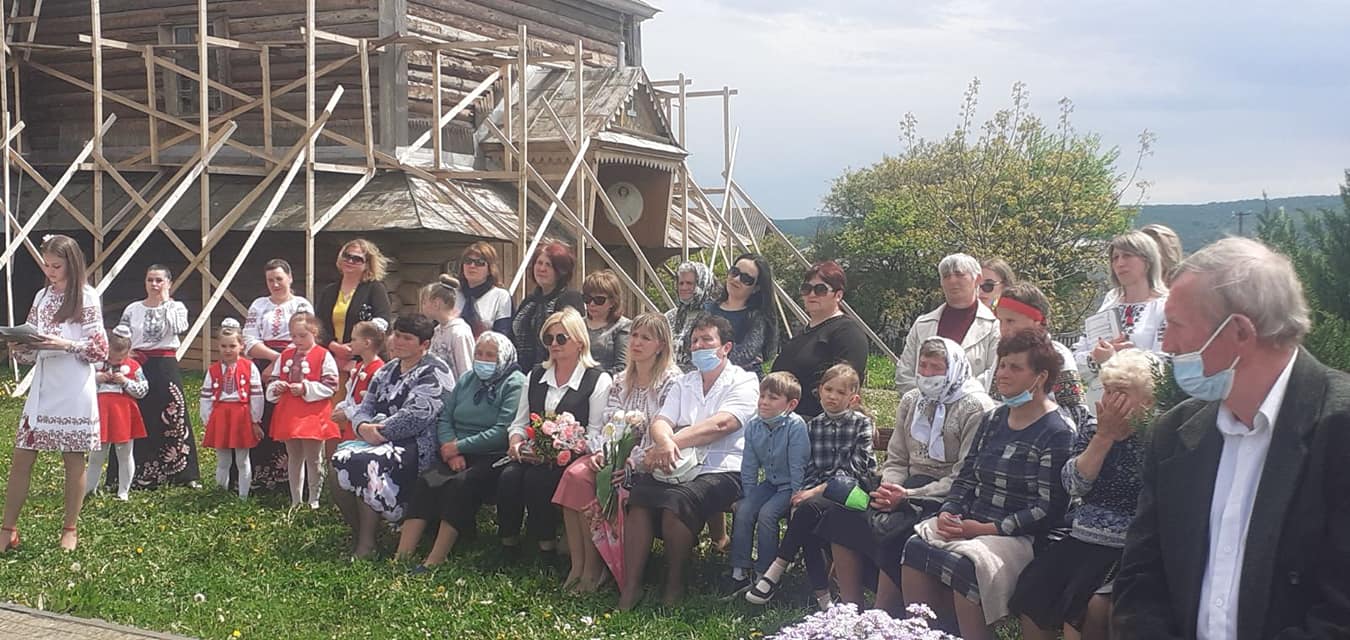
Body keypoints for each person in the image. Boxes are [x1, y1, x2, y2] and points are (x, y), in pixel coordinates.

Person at [1113, 238, 1350, 640]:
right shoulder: (1173, 435)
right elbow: (1141, 579)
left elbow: (1340, 613)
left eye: (1177, 326)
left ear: (1239, 330)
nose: (1167, 345)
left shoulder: (1339, 430)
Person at [901, 329, 1073, 640]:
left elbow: (1048, 509)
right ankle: (923, 633)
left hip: (1021, 536)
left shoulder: (1057, 431)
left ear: (1040, 377)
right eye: (1002, 365)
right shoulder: (995, 419)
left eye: (1015, 367)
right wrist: (949, 510)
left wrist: (984, 529)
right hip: (972, 521)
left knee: (965, 565)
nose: (1003, 374)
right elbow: (967, 475)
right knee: (916, 546)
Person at [819, 338, 995, 616]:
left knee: (897, 528)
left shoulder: (975, 408)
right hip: (903, 485)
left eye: (935, 368)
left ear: (954, 369)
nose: (926, 374)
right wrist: (889, 487)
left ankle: (882, 615)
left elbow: (964, 475)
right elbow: (898, 457)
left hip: (945, 496)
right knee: (841, 514)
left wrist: (908, 496)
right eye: (922, 366)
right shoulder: (912, 400)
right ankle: (850, 609)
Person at [1012, 349, 1157, 640]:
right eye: (1107, 391)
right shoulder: (1094, 429)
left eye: (1121, 392)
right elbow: (1074, 485)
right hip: (1083, 538)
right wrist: (1104, 438)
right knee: (1034, 589)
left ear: (1147, 400)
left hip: (1126, 548)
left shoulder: (1156, 436)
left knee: (1084, 613)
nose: (1110, 401)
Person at [619, 314, 759, 610]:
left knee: (677, 501)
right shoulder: (685, 382)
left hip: (724, 469)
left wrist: (671, 443)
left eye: (707, 340)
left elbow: (723, 424)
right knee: (640, 496)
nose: (698, 346)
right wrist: (663, 441)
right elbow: (661, 420)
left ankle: (675, 586)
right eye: (694, 341)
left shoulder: (744, 380)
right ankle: (631, 586)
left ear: (726, 347)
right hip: (679, 463)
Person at [552, 312, 681, 592]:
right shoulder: (621, 380)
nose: (636, 342)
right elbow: (608, 423)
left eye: (645, 338)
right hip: (613, 455)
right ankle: (579, 565)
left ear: (661, 345)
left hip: (647, 463)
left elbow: (663, 432)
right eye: (634, 335)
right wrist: (603, 452)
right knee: (574, 475)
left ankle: (598, 567)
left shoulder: (671, 383)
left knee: (595, 482)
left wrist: (631, 463)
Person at [1, 234, 107, 552]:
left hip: (74, 384)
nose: (50, 272)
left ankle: (70, 529)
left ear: (72, 264)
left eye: (56, 266)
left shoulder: (87, 297)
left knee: (73, 457)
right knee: (22, 455)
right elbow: (33, 345)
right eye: (46, 265)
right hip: (44, 384)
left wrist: (66, 344)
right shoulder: (42, 296)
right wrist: (20, 346)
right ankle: (7, 528)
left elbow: (99, 349)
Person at [747, 363, 878, 611]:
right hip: (819, 496)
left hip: (854, 492)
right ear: (819, 390)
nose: (832, 396)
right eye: (828, 389)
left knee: (807, 510)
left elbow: (856, 469)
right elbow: (810, 468)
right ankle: (823, 598)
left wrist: (815, 491)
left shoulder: (861, 424)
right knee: (804, 514)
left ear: (853, 398)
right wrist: (805, 492)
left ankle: (777, 572)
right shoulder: (814, 426)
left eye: (840, 392)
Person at [397, 332, 525, 570]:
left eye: (490, 355)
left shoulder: (514, 383)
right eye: (479, 354)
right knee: (427, 480)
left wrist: (459, 446)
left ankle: (435, 559)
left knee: (461, 484)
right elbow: (446, 416)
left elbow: (502, 431)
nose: (483, 360)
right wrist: (452, 449)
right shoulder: (467, 379)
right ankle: (402, 555)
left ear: (503, 358)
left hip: (492, 454)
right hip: (455, 450)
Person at [332, 313, 453, 558]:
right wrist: (362, 427)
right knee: (337, 462)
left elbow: (416, 416)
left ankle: (366, 545)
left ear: (424, 344)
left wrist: (377, 432)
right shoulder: (387, 370)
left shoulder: (435, 371)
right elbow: (365, 406)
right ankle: (366, 534)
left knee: (364, 463)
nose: (398, 341)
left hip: (418, 445)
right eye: (396, 335)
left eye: (407, 338)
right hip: (376, 438)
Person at [498, 308, 613, 556]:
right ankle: (508, 543)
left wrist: (560, 449)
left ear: (579, 341)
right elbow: (520, 422)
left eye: (561, 338)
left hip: (573, 457)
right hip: (533, 453)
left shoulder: (597, 379)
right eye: (548, 338)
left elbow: (595, 433)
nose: (554, 344)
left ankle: (546, 547)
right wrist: (516, 443)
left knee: (537, 479)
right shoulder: (536, 374)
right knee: (509, 477)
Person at [726, 372, 809, 595]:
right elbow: (749, 465)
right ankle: (739, 572)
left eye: (773, 398)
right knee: (745, 510)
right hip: (771, 483)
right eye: (762, 396)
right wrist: (749, 496)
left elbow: (798, 466)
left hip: (790, 485)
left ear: (790, 405)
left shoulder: (796, 426)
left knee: (767, 515)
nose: (764, 402)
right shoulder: (754, 425)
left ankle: (766, 574)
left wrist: (796, 498)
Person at [118, 263, 199, 489]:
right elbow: (120, 336)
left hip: (164, 365)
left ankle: (182, 473)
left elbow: (179, 327)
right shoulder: (133, 309)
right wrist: (125, 353)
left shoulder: (177, 307)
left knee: (173, 413)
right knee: (137, 414)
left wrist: (165, 302)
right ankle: (136, 473)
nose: (154, 284)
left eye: (159, 280)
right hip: (138, 364)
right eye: (150, 280)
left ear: (168, 283)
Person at [1074, 230, 1168, 409]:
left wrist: (1116, 359)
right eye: (1115, 258)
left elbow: (1165, 366)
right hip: (1098, 406)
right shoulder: (1109, 303)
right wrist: (1095, 359)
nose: (1120, 263)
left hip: (1142, 411)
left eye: (1127, 256)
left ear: (1147, 261)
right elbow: (1076, 359)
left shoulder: (1165, 307)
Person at [242, 259, 314, 491]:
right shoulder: (259, 304)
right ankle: (262, 475)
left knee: (289, 414)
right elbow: (249, 338)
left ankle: (290, 479)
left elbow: (306, 337)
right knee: (262, 413)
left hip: (295, 362)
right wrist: (274, 360)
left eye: (279, 279)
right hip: (265, 361)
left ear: (290, 278)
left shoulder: (301, 305)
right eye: (270, 280)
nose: (275, 284)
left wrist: (281, 364)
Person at [771, 260, 870, 418]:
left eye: (820, 289)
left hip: (820, 425)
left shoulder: (848, 333)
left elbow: (847, 385)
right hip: (783, 421)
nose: (812, 294)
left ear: (838, 295)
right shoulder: (801, 334)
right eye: (806, 289)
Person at [896, 253, 1000, 396]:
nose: (952, 280)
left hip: (972, 407)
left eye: (959, 274)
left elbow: (993, 374)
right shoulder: (922, 325)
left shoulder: (994, 327)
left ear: (977, 279)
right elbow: (904, 373)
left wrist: (956, 399)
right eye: (946, 276)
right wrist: (926, 400)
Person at [265, 311, 339, 509]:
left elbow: (331, 385)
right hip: (289, 412)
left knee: (314, 458)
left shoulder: (323, 355)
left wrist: (306, 388)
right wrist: (277, 387)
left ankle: (314, 499)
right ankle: (296, 500)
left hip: (313, 414)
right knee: (294, 456)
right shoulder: (285, 355)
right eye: (294, 336)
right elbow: (274, 378)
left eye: (302, 336)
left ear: (314, 332)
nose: (297, 340)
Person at [992, 282, 1090, 429]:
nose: (1004, 328)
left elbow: (1076, 412)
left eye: (1010, 321)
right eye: (1001, 321)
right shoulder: (1002, 354)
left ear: (1036, 321)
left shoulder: (1057, 355)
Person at [199, 319, 265, 500]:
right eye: (223, 346)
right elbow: (206, 396)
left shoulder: (249, 367)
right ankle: (220, 493)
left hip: (241, 415)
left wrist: (255, 419)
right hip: (220, 415)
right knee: (223, 459)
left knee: (242, 459)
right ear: (218, 347)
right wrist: (207, 419)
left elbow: (257, 395)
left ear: (241, 346)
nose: (228, 350)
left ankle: (243, 496)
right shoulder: (213, 370)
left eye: (232, 346)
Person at [86, 325, 148, 502]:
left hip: (123, 414)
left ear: (128, 352)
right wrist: (96, 379)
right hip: (100, 413)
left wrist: (126, 382)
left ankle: (123, 491)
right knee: (96, 454)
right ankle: (89, 489)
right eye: (111, 356)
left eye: (119, 358)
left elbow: (143, 390)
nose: (114, 360)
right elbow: (82, 385)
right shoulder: (96, 365)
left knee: (125, 452)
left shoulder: (134, 367)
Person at [314, 238, 391, 369]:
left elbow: (383, 321)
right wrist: (335, 347)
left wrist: (354, 348)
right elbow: (318, 325)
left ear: (367, 264)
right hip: (330, 360)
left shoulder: (375, 289)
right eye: (347, 256)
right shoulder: (329, 291)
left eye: (357, 259)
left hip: (364, 361)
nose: (350, 261)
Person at [511, 241, 585, 372]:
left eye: (548, 265)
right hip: (522, 373)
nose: (542, 269)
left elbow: (572, 341)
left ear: (561, 271)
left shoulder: (570, 299)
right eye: (539, 263)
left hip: (554, 372)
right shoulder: (528, 302)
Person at [705, 253, 780, 376]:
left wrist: (705, 354)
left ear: (756, 288)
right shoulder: (707, 309)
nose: (736, 279)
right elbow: (688, 345)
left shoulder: (757, 318)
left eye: (746, 279)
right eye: (734, 272)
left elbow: (743, 355)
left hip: (741, 381)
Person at [331, 319, 387, 442]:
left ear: (367, 343)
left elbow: (374, 402)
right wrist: (342, 407)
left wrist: (347, 413)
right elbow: (351, 394)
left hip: (366, 426)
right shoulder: (359, 366)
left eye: (354, 340)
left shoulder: (379, 370)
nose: (350, 344)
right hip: (352, 425)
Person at [665, 260, 716, 373]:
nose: (684, 287)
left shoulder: (714, 316)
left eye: (689, 283)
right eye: (681, 283)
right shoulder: (670, 316)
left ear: (702, 284)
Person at [420, 275, 474, 379]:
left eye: (424, 303)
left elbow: (466, 369)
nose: (422, 307)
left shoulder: (459, 333)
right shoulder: (437, 331)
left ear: (436, 303)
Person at [455, 242, 513, 337]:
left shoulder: (500, 296)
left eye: (479, 262)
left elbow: (502, 334)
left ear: (490, 269)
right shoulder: (452, 294)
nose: (472, 266)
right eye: (468, 261)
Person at [582, 270, 632, 376]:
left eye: (599, 300)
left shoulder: (623, 326)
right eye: (587, 299)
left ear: (612, 302)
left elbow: (622, 367)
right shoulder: (577, 324)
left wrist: (595, 380)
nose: (591, 304)